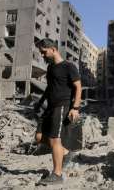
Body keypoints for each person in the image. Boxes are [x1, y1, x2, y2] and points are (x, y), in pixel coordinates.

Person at [34, 38, 82, 185]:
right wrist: (40, 102)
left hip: (62, 105)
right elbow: (49, 88)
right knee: (40, 137)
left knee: (55, 139)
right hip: (50, 106)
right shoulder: (50, 68)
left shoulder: (69, 66)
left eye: (43, 52)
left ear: (53, 49)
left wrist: (75, 108)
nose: (42, 56)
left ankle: (57, 174)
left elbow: (78, 87)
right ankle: (66, 153)